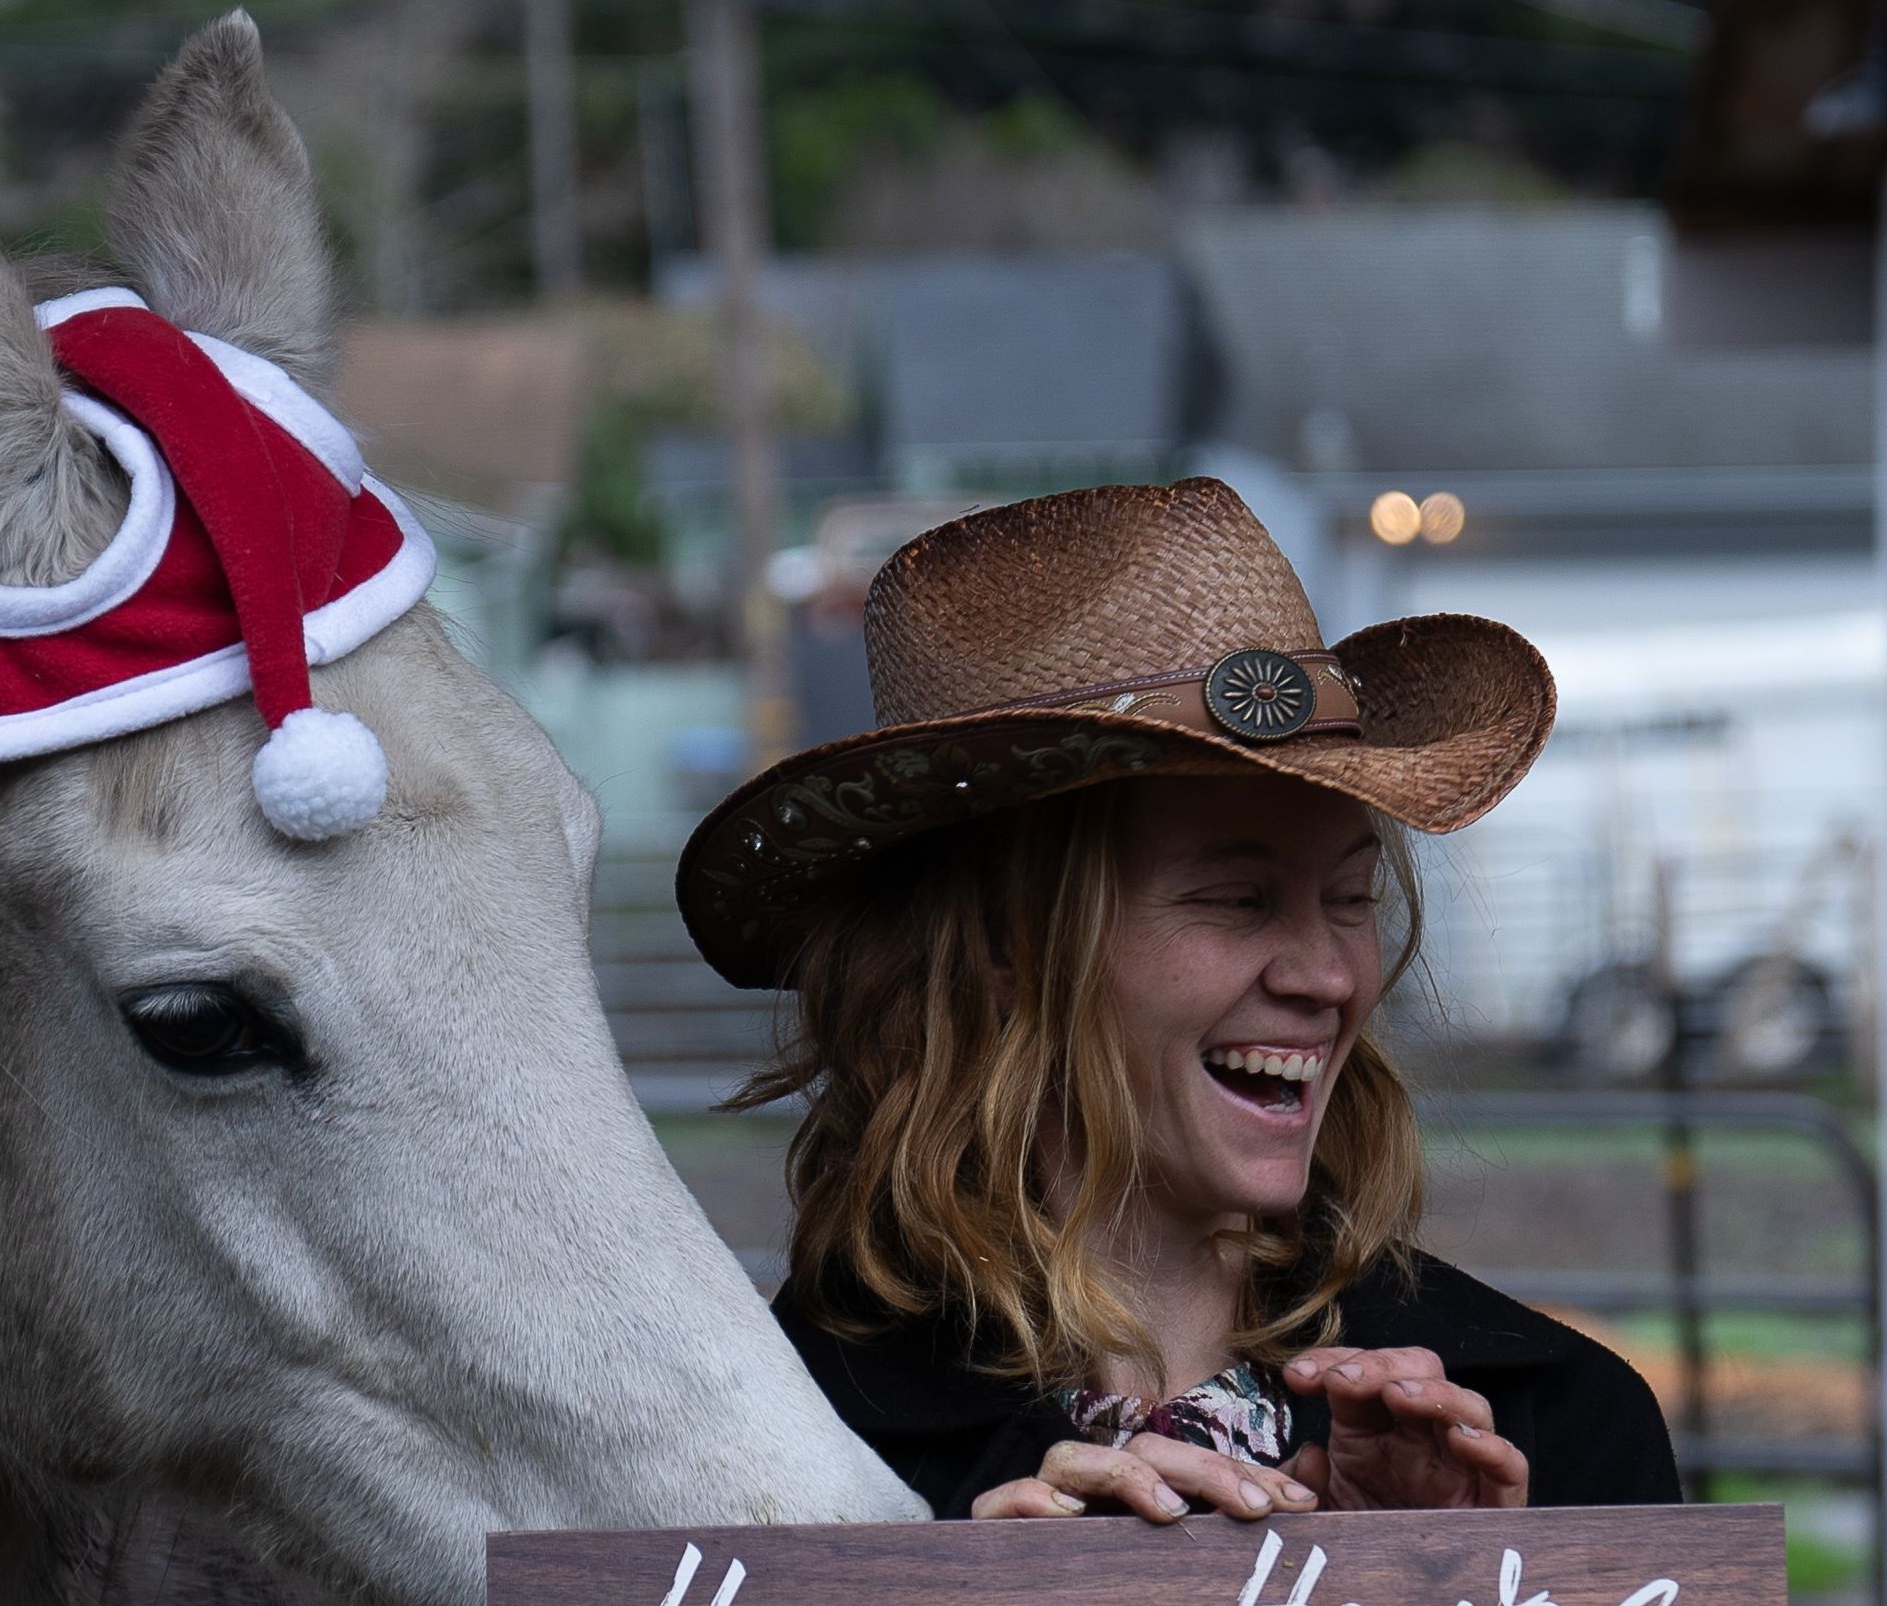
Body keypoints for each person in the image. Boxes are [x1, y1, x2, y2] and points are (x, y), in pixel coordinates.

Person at [680, 478, 1679, 1521]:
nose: (1328, 977)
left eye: (1350, 897)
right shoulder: (767, 1467)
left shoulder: (1554, 1431)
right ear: (1003, 943)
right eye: (1238, 900)